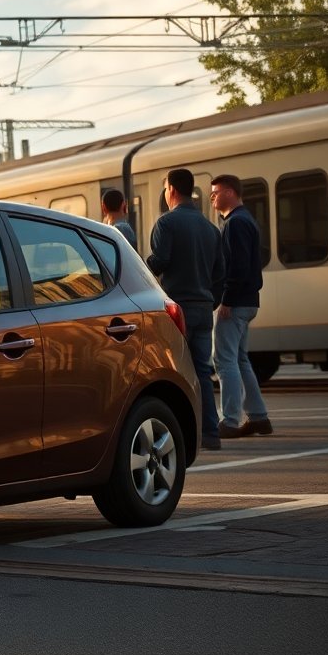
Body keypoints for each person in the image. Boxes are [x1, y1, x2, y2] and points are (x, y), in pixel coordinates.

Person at [146, 168, 226, 451]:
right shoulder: (210, 229)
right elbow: (220, 275)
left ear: (171, 190)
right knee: (202, 373)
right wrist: (209, 302)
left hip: (176, 311)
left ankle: (179, 435)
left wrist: (141, 266)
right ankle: (210, 434)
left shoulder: (166, 223)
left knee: (172, 374)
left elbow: (160, 260)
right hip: (204, 309)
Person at [210, 174, 273, 438]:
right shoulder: (246, 220)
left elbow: (237, 266)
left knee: (223, 360)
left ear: (230, 193)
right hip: (248, 301)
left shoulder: (235, 223)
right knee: (240, 359)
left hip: (235, 303)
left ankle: (231, 420)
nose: (212, 197)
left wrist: (226, 299)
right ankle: (259, 418)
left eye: (215, 192)